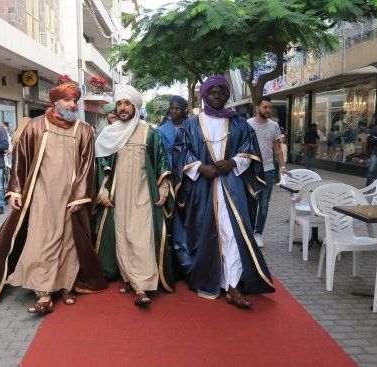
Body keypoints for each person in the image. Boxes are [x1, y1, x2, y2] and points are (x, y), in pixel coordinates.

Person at [0, 79, 107, 314]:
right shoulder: (35, 126)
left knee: (68, 242)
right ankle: (44, 292)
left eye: (75, 100)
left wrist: (80, 196)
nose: (73, 104)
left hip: (70, 199)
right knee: (41, 241)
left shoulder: (84, 130)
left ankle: (65, 285)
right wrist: (15, 190)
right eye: (67, 100)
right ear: (55, 102)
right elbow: (20, 161)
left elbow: (87, 167)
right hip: (41, 196)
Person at [172, 75, 275, 308]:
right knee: (207, 234)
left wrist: (234, 162)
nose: (217, 96)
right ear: (205, 95)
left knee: (232, 233)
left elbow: (250, 150)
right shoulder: (190, 125)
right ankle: (212, 278)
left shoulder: (239, 123)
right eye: (213, 92)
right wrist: (200, 167)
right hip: (202, 189)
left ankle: (232, 285)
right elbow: (180, 153)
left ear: (227, 95)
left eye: (221, 92)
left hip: (232, 187)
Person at [94, 85, 177, 306]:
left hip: (143, 194)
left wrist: (163, 187)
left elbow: (160, 161)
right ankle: (129, 278)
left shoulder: (149, 132)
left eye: (127, 103)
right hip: (118, 195)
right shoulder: (109, 133)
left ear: (135, 107)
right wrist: (102, 190)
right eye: (119, 103)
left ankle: (142, 286)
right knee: (122, 237)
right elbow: (101, 163)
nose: (122, 108)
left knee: (141, 238)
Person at [247, 96, 289, 248]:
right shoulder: (247, 124)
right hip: (251, 171)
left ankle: (258, 234)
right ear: (257, 107)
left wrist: (283, 167)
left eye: (270, 108)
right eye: (265, 107)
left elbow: (277, 148)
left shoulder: (274, 126)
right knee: (251, 204)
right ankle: (248, 233)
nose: (268, 110)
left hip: (269, 170)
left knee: (264, 205)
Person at [158, 95, 189, 271]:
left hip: (186, 173)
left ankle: (184, 252)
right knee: (169, 213)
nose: (174, 111)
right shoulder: (162, 130)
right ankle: (169, 255)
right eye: (172, 108)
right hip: (169, 173)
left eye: (178, 108)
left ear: (184, 109)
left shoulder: (190, 126)